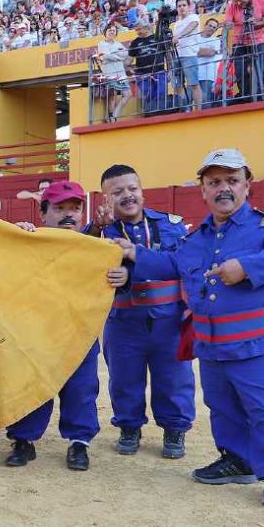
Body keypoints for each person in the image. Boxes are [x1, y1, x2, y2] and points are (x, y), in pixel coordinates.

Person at [115, 149, 264, 507]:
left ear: (247, 185)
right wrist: (133, 253)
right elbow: (171, 264)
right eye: (214, 183)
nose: (223, 189)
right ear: (203, 190)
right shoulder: (195, 238)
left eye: (231, 181)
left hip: (260, 344)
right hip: (213, 344)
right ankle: (237, 459)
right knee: (222, 406)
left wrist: (245, 267)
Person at [5, 181, 129, 471]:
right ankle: (23, 440)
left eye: (74, 208)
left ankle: (79, 443)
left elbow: (124, 269)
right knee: (31, 383)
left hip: (79, 332)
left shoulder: (96, 244)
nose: (68, 215)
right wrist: (15, 236)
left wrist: (123, 274)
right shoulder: (27, 240)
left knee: (81, 388)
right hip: (37, 331)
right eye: (59, 208)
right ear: (43, 213)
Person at [86, 165, 196, 459]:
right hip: (123, 320)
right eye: (117, 191)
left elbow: (181, 265)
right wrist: (97, 231)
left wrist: (132, 265)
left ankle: (174, 429)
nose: (127, 196)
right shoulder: (97, 231)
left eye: (132, 189)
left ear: (142, 190)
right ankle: (129, 427)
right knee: (124, 378)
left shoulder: (171, 225)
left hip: (168, 319)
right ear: (105, 198)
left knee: (173, 378)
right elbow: (80, 268)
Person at [224, 0, 264, 101]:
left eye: (241, 0)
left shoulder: (260, 0)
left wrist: (257, 24)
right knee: (240, 72)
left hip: (258, 41)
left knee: (261, 69)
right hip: (239, 41)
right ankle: (245, 97)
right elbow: (228, 22)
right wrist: (228, 24)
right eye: (236, 1)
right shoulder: (232, 6)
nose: (239, 3)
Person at [128, 20, 167, 116]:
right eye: (136, 30)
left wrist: (170, 71)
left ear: (147, 27)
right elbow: (128, 61)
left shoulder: (158, 38)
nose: (138, 32)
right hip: (142, 74)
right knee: (147, 94)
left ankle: (159, 115)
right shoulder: (135, 43)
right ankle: (150, 114)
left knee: (160, 94)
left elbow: (168, 55)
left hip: (159, 72)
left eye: (139, 29)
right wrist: (130, 72)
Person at [94, 23, 131, 122]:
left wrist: (112, 55)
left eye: (114, 30)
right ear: (105, 32)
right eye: (110, 30)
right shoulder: (101, 44)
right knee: (112, 96)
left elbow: (125, 55)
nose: (112, 32)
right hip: (109, 73)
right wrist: (117, 56)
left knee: (127, 94)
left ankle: (115, 115)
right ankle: (111, 117)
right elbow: (104, 57)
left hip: (121, 73)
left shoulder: (118, 44)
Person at [172, 0, 203, 110]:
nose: (181, 8)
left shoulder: (193, 17)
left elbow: (191, 26)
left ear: (189, 6)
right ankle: (184, 109)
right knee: (178, 85)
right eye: (179, 6)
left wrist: (178, 37)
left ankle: (199, 111)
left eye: (184, 5)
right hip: (177, 56)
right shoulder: (176, 23)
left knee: (194, 84)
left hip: (189, 55)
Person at [197, 18, 224, 109]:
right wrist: (201, 52)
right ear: (205, 25)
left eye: (214, 27)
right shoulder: (195, 38)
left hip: (208, 76)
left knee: (206, 102)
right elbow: (192, 52)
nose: (212, 28)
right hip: (194, 74)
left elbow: (211, 53)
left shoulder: (216, 40)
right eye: (210, 25)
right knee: (190, 101)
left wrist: (198, 51)